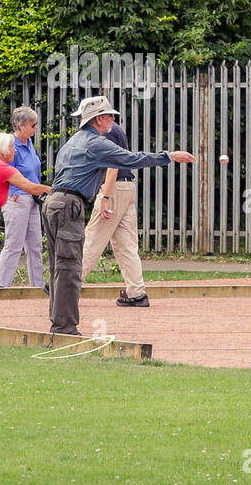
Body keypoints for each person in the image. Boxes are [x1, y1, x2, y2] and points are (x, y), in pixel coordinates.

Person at [43, 96, 195, 336]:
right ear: (98, 119)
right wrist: (168, 156)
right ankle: (64, 328)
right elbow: (131, 159)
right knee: (70, 268)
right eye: (109, 115)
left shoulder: (73, 142)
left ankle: (59, 323)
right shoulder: (96, 144)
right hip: (69, 204)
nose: (113, 119)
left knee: (59, 267)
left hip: (54, 202)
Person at [0, 131, 49, 322]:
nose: (14, 150)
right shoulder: (3, 168)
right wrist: (59, 190)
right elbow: (33, 187)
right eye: (11, 148)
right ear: (3, 151)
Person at [79, 121, 149, 306]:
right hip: (127, 187)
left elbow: (113, 165)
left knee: (93, 239)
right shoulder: (115, 128)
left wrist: (105, 196)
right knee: (126, 244)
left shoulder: (105, 131)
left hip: (114, 188)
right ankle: (136, 293)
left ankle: (68, 284)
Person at [0, 107, 48, 293]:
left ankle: (38, 287)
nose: (35, 128)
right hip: (17, 197)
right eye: (32, 125)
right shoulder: (11, 145)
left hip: (32, 198)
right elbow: (7, 174)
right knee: (14, 243)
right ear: (21, 125)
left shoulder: (29, 142)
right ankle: (1, 286)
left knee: (35, 245)